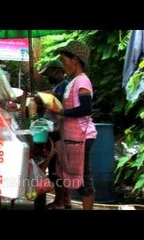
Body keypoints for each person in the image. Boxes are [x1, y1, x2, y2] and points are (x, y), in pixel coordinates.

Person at [49, 41, 97, 210]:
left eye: (64, 60)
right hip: (71, 136)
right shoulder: (72, 81)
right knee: (70, 173)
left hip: (82, 136)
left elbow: (85, 109)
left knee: (84, 178)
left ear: (75, 59)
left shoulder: (83, 81)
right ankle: (64, 201)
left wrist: (61, 112)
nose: (63, 64)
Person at [38, 60, 71, 210]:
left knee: (56, 169)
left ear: (58, 72)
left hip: (58, 131)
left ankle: (59, 202)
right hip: (56, 129)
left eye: (49, 73)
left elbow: (54, 102)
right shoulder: (58, 86)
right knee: (59, 167)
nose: (48, 77)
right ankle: (66, 200)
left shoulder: (63, 86)